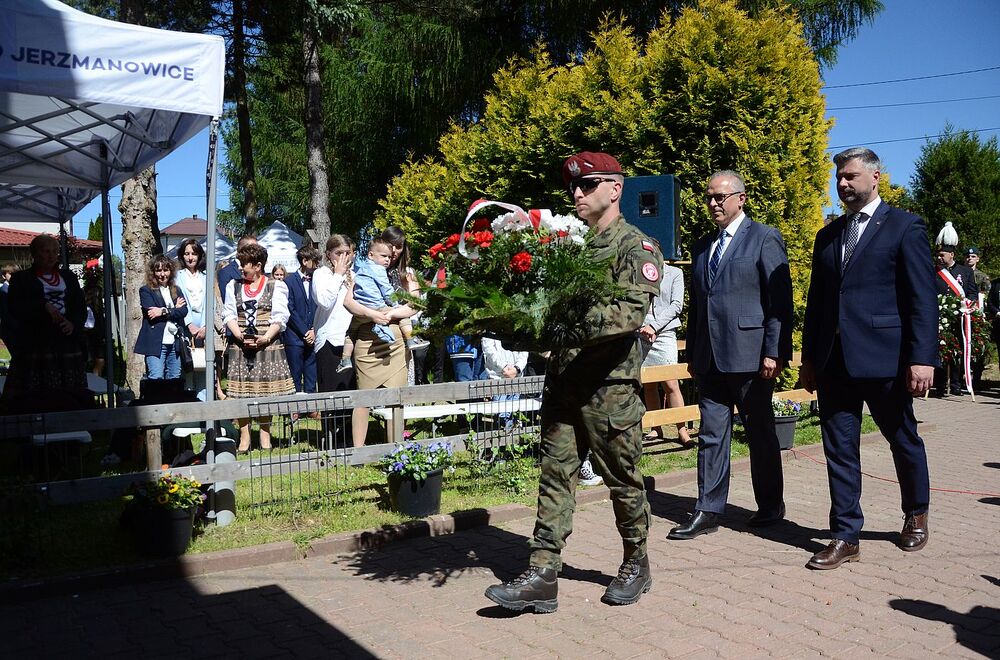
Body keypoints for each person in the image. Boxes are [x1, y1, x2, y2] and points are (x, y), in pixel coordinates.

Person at [485, 151, 662, 612]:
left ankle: (636, 561)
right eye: (574, 188)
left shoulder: (636, 247)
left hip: (610, 389)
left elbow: (627, 314)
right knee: (554, 477)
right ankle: (543, 573)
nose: (577, 194)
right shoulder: (571, 247)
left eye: (587, 185)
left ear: (615, 189)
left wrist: (559, 326)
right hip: (564, 380)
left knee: (621, 480)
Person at [801, 147, 937, 570]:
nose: (843, 184)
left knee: (903, 439)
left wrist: (922, 358)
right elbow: (818, 302)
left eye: (851, 176)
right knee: (839, 449)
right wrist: (809, 358)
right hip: (834, 361)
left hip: (887, 360)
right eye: (839, 177)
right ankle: (845, 535)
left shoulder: (904, 227)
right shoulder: (828, 236)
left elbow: (921, 298)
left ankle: (915, 512)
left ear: (876, 177)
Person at [667, 171, 793, 541]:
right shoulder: (703, 245)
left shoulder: (764, 238)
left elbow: (779, 300)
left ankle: (771, 505)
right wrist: (694, 349)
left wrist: (774, 350)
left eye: (721, 197)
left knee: (760, 433)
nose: (713, 204)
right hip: (710, 358)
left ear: (741, 198)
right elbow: (699, 305)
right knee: (711, 435)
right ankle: (708, 509)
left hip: (751, 357)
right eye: (709, 197)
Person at [1, 234, 89, 413]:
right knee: (36, 396)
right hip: (36, 344)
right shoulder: (22, 279)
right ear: (35, 254)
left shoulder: (68, 277)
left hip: (66, 343)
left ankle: (71, 425)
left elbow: (79, 306)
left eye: (54, 252)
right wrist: (43, 306)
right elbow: (16, 308)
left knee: (69, 394)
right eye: (46, 251)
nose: (51, 256)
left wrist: (73, 324)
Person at [223, 242, 296, 452]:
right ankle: (245, 438)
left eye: (244, 264)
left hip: (268, 346)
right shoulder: (233, 286)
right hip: (241, 347)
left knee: (266, 393)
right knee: (242, 393)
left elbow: (281, 317)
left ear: (257, 265)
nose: (240, 268)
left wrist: (265, 338)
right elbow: (229, 313)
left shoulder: (276, 285)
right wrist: (239, 335)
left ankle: (265, 437)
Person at [639, 259, 694, 447]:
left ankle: (682, 430)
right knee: (648, 384)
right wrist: (642, 327)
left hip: (664, 333)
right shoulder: (639, 271)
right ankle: (655, 428)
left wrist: (654, 326)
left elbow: (676, 305)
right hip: (642, 333)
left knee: (671, 383)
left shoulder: (675, 273)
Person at [311, 235, 359, 445]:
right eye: (338, 253)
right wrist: (338, 275)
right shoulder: (321, 274)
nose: (343, 257)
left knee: (350, 390)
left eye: (347, 253)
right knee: (331, 391)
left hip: (351, 339)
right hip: (330, 339)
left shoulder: (355, 275)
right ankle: (329, 438)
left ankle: (349, 437)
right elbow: (324, 300)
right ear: (329, 255)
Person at [933, 225, 978, 396]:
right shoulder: (934, 271)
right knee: (941, 351)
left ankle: (957, 385)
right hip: (939, 317)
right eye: (938, 254)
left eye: (942, 255)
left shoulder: (965, 272)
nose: (939, 257)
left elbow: (972, 292)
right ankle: (940, 385)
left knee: (958, 351)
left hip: (960, 318)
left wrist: (970, 303)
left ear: (951, 255)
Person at [135, 255, 188, 380]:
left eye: (166, 270)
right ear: (153, 272)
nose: (162, 274)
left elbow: (184, 311)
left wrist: (163, 311)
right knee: (156, 378)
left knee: (175, 378)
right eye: (158, 270)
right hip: (156, 343)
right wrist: (174, 309)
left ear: (171, 271)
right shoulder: (146, 290)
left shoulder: (176, 290)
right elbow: (151, 313)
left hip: (175, 343)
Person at [283, 246, 319, 394]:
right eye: (315, 261)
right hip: (294, 338)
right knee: (295, 375)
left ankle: (311, 408)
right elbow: (290, 309)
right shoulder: (289, 282)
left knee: (311, 375)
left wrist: (314, 330)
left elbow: (320, 306)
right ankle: (294, 410)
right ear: (305, 261)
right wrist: (305, 331)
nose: (317, 265)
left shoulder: (318, 280)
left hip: (313, 335)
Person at [175, 238, 208, 399]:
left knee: (204, 367)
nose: (190, 257)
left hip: (204, 327)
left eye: (194, 254)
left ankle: (204, 404)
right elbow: (180, 301)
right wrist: (189, 325)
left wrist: (205, 326)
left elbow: (211, 303)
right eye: (187, 254)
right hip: (185, 327)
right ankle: (188, 404)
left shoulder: (206, 277)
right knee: (188, 367)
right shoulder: (178, 277)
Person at [0, 263, 20, 355]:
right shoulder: (4, 291)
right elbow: (6, 314)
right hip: (10, 331)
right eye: (11, 274)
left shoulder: (16, 290)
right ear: (4, 276)